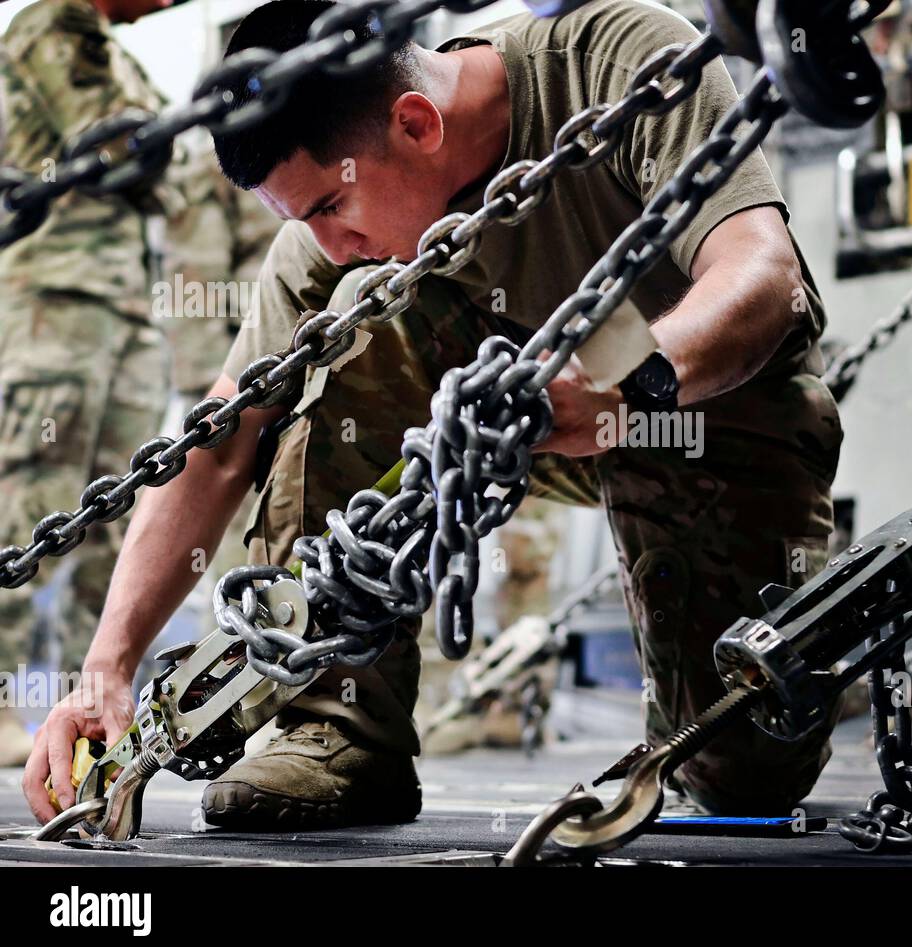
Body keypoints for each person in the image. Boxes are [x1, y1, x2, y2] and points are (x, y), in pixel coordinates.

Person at [24, 0, 844, 829]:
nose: (330, 239)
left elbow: (762, 276)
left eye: (328, 209)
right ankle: (336, 729)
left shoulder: (622, 56)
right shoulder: (331, 240)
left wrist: (626, 384)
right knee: (350, 321)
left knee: (741, 772)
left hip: (708, 411)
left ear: (416, 124)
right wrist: (107, 668)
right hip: (522, 424)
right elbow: (220, 435)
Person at [0, 0, 180, 767]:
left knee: (116, 517)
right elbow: (118, 146)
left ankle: (83, 707)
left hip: (127, 307)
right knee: (29, 503)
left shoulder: (114, 47)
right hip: (56, 301)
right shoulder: (54, 22)